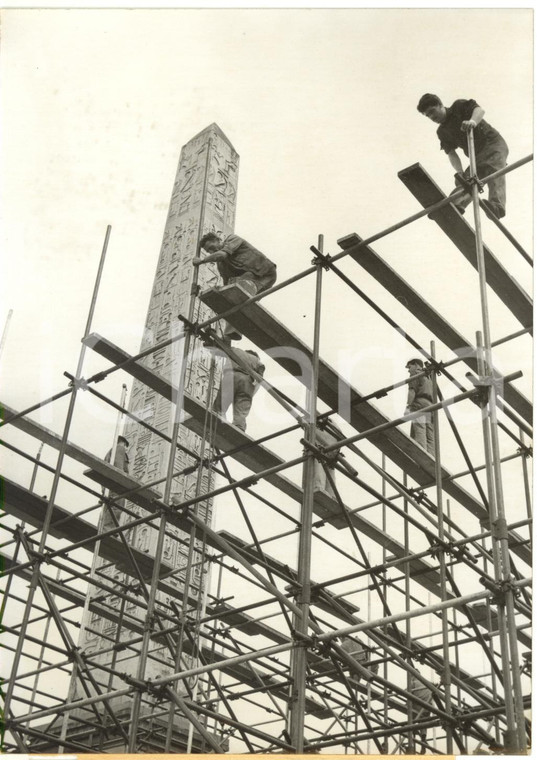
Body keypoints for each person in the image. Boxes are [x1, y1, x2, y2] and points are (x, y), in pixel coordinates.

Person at [417, 94, 509, 218]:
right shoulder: (442, 132)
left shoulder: (458, 106)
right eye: (428, 115)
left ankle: (497, 208)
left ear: (440, 104)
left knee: (494, 171)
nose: (432, 117)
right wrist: (460, 172)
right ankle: (453, 206)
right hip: (477, 155)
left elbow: (479, 110)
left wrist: (472, 121)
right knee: (466, 180)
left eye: (432, 111)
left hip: (492, 143)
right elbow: (451, 153)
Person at [193, 232, 277, 341]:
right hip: (249, 279)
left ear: (218, 240)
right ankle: (230, 335)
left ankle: (232, 332)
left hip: (264, 272)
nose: (211, 251)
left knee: (240, 288)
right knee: (235, 302)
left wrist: (202, 261)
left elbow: (222, 254)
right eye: (208, 251)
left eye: (211, 247)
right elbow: (227, 284)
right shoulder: (221, 265)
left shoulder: (232, 239)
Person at [212, 348, 265, 432]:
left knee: (221, 406)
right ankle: (239, 427)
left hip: (231, 376)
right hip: (247, 382)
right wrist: (249, 395)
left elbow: (218, 350)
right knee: (241, 412)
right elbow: (259, 381)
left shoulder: (236, 351)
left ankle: (218, 417)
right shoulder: (257, 361)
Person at [405, 359, 434, 455]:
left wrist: (408, 406)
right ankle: (432, 458)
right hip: (430, 406)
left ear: (416, 365)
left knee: (420, 430)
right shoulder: (429, 377)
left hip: (419, 404)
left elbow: (412, 391)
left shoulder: (415, 375)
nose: (409, 370)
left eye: (409, 367)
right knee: (430, 436)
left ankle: (423, 456)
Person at [102, 435, 130, 527]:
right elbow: (119, 466)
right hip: (116, 483)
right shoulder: (119, 449)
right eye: (126, 446)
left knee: (108, 507)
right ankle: (109, 529)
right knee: (117, 506)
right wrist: (123, 481)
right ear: (123, 443)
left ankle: (104, 528)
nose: (126, 449)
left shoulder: (110, 452)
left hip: (108, 483)